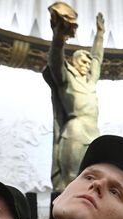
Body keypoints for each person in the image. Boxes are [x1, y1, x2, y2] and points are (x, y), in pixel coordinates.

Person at [44, 2, 105, 191]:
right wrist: (59, 37)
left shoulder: (90, 82)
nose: (88, 64)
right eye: (84, 61)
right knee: (71, 180)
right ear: (75, 62)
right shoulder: (66, 79)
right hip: (75, 131)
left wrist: (100, 35)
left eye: (88, 62)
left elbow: (97, 59)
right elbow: (55, 59)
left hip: (93, 133)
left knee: (93, 179)